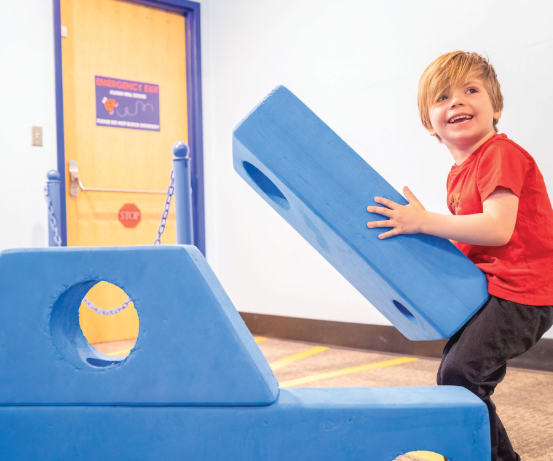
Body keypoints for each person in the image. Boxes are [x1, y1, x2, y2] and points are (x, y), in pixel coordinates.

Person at [366, 51, 553, 461]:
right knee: (456, 374)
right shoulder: (459, 173)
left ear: (496, 107)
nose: (457, 102)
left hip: (524, 292)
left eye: (471, 90)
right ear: (428, 124)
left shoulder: (500, 153)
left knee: (461, 375)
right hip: (498, 289)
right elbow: (475, 240)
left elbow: (498, 228)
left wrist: (423, 222)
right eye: (443, 97)